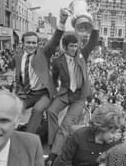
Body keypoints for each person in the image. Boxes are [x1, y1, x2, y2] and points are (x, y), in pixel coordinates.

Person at [45, 14, 99, 164]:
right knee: (51, 111)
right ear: (65, 47)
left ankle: (54, 153)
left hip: (80, 96)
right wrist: (55, 92)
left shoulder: (83, 55)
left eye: (76, 46)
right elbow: (54, 77)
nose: (75, 49)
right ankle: (53, 142)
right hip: (65, 93)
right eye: (72, 46)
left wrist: (94, 24)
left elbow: (93, 41)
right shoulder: (58, 61)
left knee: (66, 125)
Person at [13, 9, 68, 133]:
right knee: (14, 109)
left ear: (38, 44)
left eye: (34, 43)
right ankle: (11, 134)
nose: (31, 45)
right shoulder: (18, 57)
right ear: (23, 43)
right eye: (28, 43)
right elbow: (19, 78)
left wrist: (62, 21)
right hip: (28, 94)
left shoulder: (43, 54)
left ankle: (29, 137)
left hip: (44, 93)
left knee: (37, 110)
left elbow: (54, 41)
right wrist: (17, 91)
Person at [52, 104, 123, 166]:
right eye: (112, 132)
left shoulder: (115, 145)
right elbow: (63, 161)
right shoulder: (79, 136)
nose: (115, 136)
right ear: (102, 128)